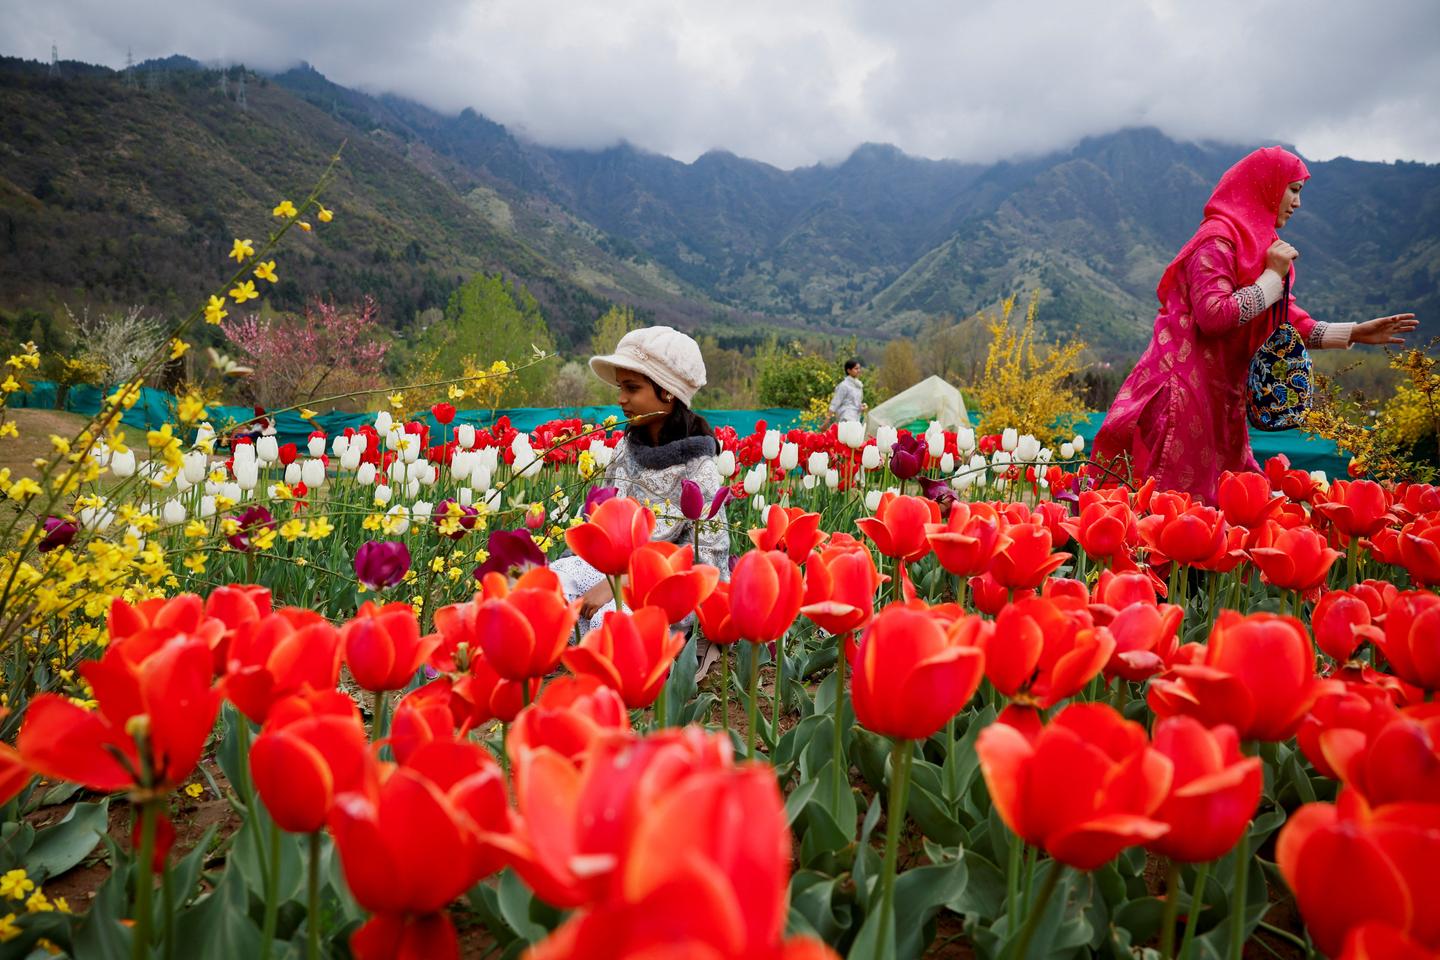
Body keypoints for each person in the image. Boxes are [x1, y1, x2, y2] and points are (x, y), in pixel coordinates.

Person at [1090, 146, 1417, 504]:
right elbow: (1214, 315)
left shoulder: (1260, 247)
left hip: (1220, 397)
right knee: (1174, 515)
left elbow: (1283, 320)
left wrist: (1353, 332)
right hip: (1182, 396)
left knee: (1219, 516)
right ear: (1265, 187)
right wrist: (1272, 276)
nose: (1297, 202)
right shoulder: (1217, 240)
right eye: (1293, 190)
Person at [551, 325, 731, 677]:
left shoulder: (699, 467)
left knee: (611, 619)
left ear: (667, 392)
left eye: (632, 388)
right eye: (620, 386)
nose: (620, 398)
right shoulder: (625, 448)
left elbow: (707, 562)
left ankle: (625, 665)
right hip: (613, 574)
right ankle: (569, 651)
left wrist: (624, 584)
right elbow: (601, 520)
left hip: (663, 592)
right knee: (549, 582)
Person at [829, 358, 866, 423]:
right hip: (846, 417)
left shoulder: (859, 385)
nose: (859, 370)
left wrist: (861, 407)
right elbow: (835, 403)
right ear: (849, 370)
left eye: (859, 368)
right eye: (856, 369)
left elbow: (856, 403)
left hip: (856, 418)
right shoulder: (844, 385)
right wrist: (827, 420)